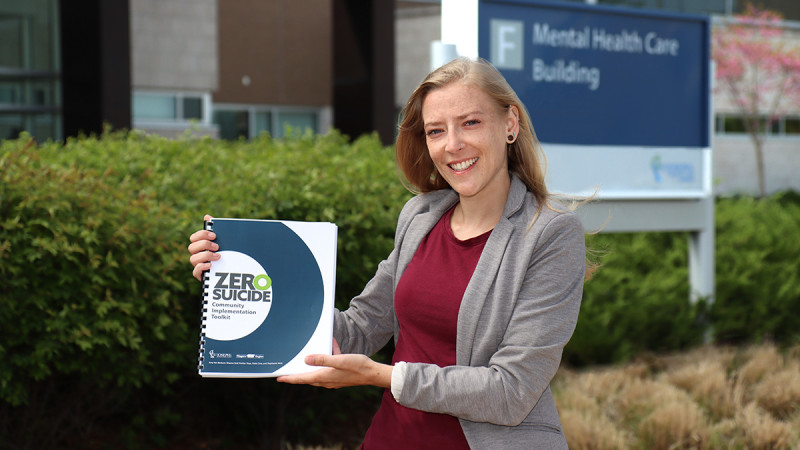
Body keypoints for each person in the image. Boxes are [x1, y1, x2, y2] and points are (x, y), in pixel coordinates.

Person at [188, 57, 586, 449]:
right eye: (435, 131)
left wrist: (384, 376)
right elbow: (358, 329)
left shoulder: (550, 235)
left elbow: (511, 391)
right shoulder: (420, 215)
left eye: (470, 122)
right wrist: (231, 276)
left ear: (510, 124)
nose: (452, 145)